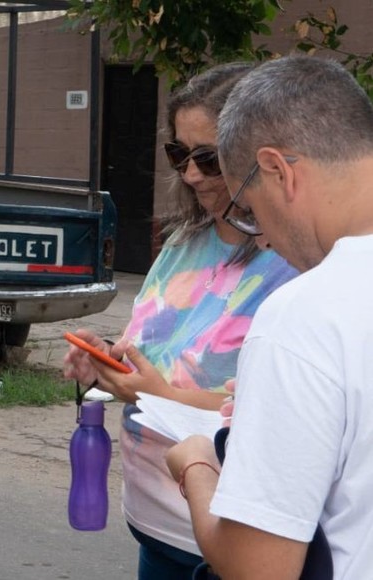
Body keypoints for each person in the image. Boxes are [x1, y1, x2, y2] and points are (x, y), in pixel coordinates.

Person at [62, 62, 297, 579]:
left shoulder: (295, 258)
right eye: (179, 154)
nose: (190, 174)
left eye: (209, 159)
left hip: (224, 537)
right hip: (154, 523)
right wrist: (104, 357)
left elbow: (282, 410)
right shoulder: (184, 241)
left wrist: (152, 394)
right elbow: (153, 348)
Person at [165, 54, 373, 579]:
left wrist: (195, 465)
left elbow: (259, 569)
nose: (264, 239)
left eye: (250, 210)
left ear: (278, 170)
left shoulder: (305, 314)